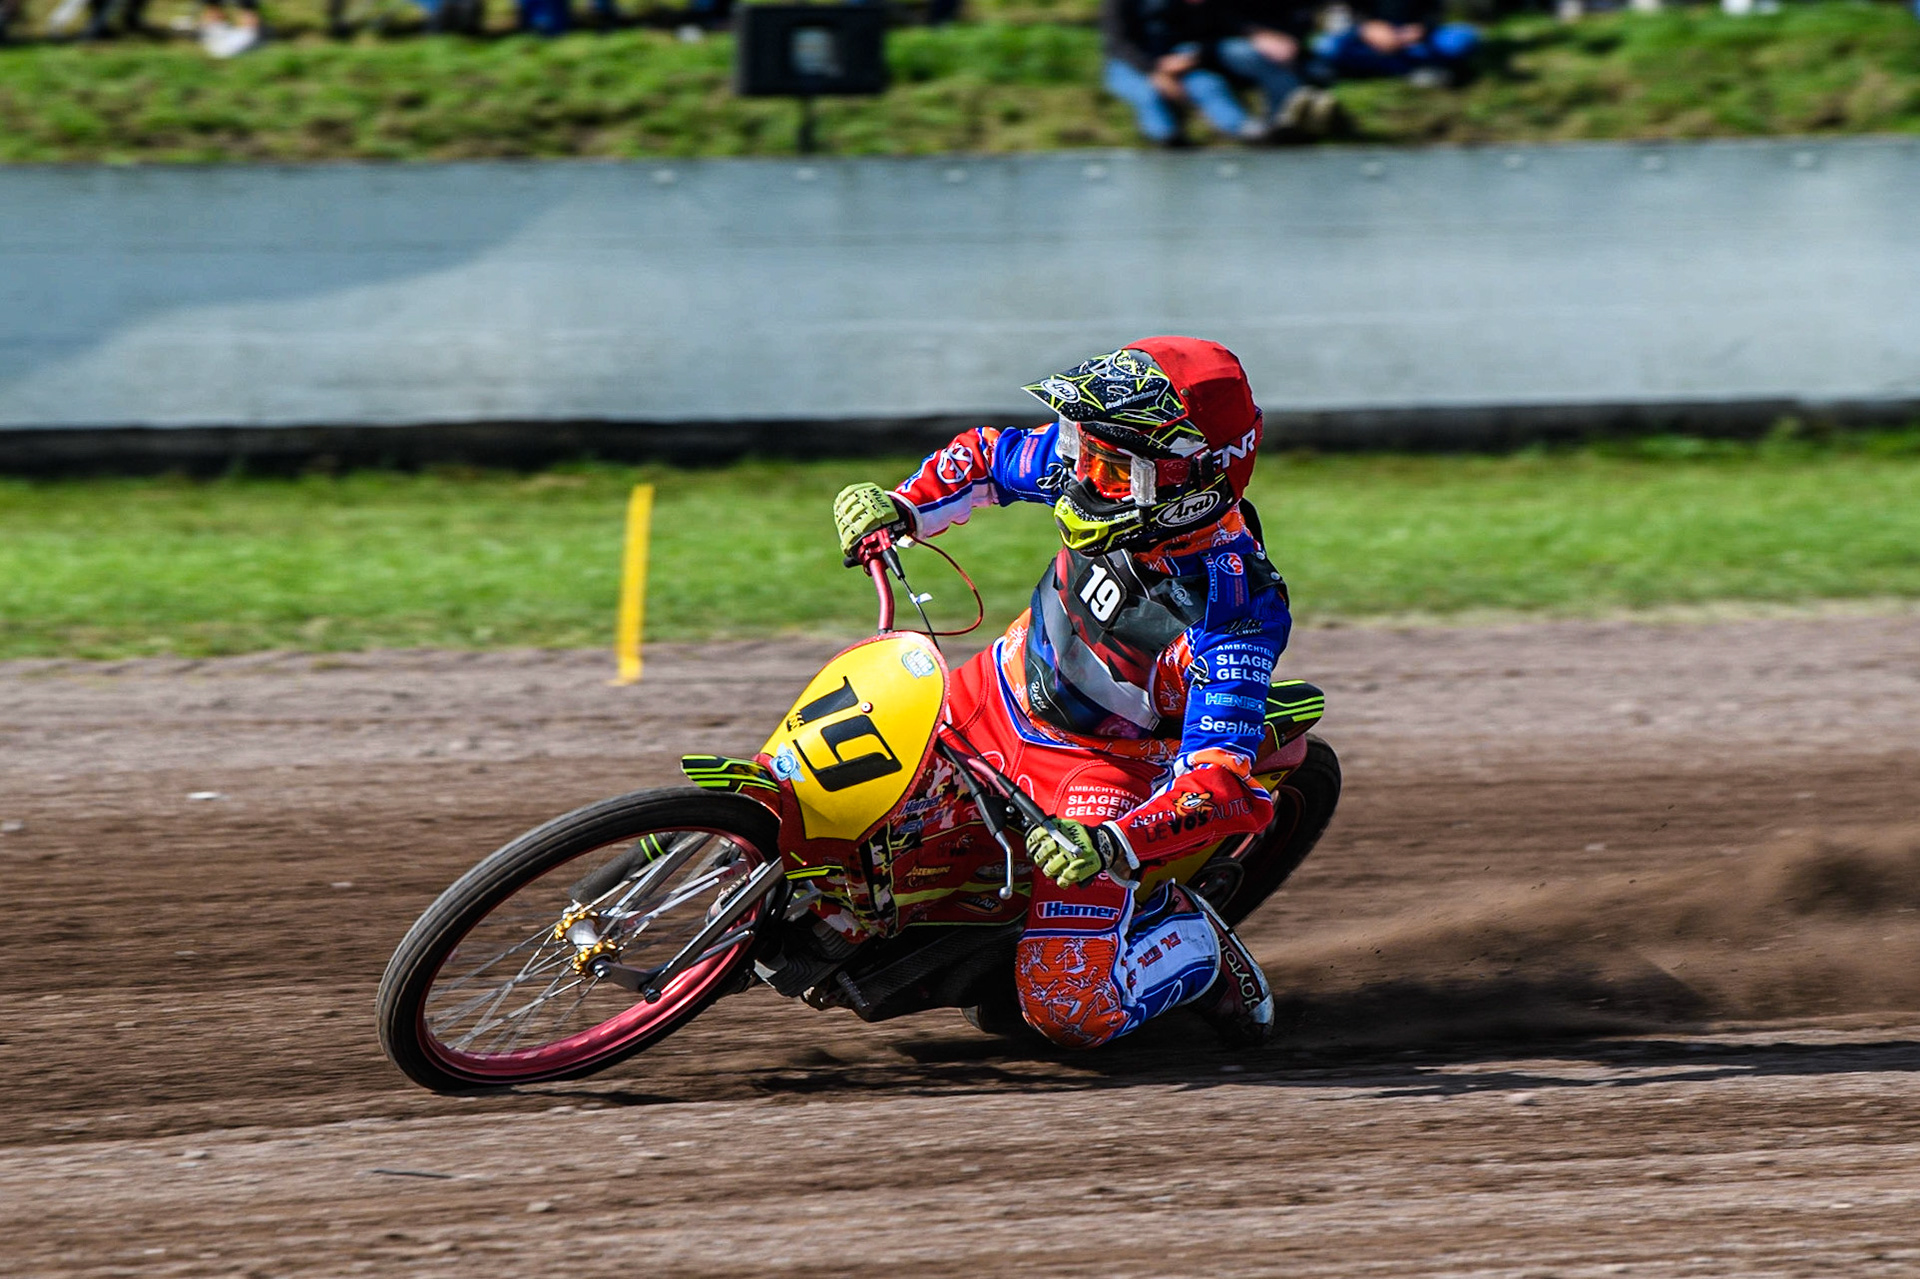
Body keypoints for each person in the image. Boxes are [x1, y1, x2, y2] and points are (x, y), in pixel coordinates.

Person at [833, 337, 1290, 1049]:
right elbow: (989, 457)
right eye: (1083, 445)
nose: (1079, 471)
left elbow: (1220, 783)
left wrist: (1110, 842)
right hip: (987, 692)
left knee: (1066, 1007)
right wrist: (902, 506)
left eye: (1109, 465)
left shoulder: (1237, 609)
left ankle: (1192, 944)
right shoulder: (1112, 466)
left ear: (1182, 482)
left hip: (1101, 777)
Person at [1102, 0, 1340, 145]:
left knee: (1210, 86)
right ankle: (1167, 139)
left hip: (1179, 63)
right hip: (1131, 66)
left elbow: (1203, 29)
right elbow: (1119, 43)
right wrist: (1153, 70)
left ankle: (1250, 132)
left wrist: (1189, 57)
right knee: (1149, 96)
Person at [1310, 0, 1478, 88]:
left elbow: (1434, 13)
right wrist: (1365, 29)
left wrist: (1419, 30)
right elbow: (1336, 16)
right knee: (1326, 45)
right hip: (1364, 39)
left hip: (1413, 39)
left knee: (1463, 37)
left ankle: (1405, 69)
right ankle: (1415, 70)